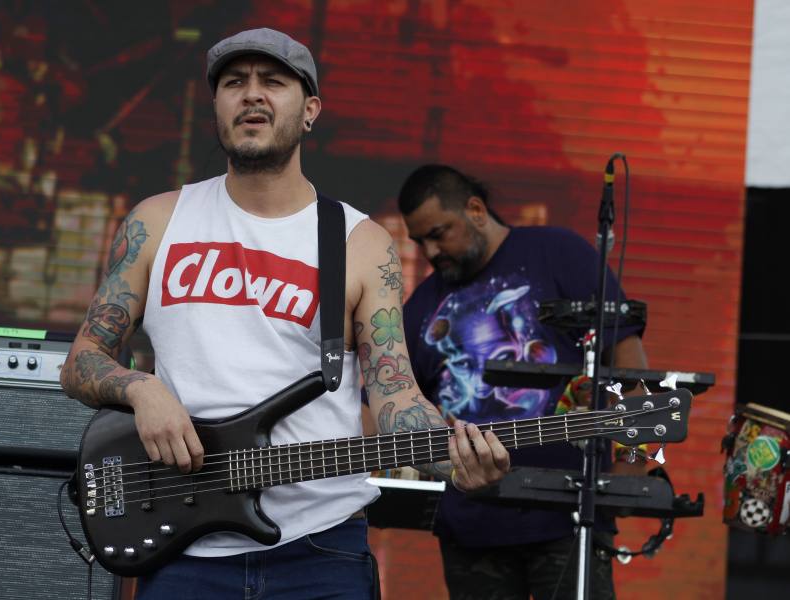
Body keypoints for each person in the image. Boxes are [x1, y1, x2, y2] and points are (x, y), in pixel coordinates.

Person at [59, 29, 510, 599]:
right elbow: (82, 361)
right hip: (184, 547)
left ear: (310, 110)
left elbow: (394, 395)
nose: (252, 94)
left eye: (273, 82)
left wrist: (455, 460)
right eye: (234, 83)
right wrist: (142, 390)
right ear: (217, 107)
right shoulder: (157, 222)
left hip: (321, 548)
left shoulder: (360, 243)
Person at [398, 164, 649, 600]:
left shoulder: (559, 252)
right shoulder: (422, 304)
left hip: (568, 515)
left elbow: (626, 360)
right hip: (471, 524)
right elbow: (392, 399)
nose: (431, 251)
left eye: (439, 233)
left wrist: (633, 461)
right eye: (420, 241)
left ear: (476, 210)